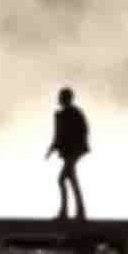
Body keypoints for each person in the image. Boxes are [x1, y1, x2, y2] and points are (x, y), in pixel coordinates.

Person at [45, 87, 90, 221]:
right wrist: (52, 148)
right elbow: (58, 135)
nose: (59, 100)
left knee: (63, 179)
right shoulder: (63, 114)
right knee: (70, 179)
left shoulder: (73, 113)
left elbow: (82, 132)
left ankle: (68, 212)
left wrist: (54, 148)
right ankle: (77, 212)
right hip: (70, 152)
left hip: (73, 152)